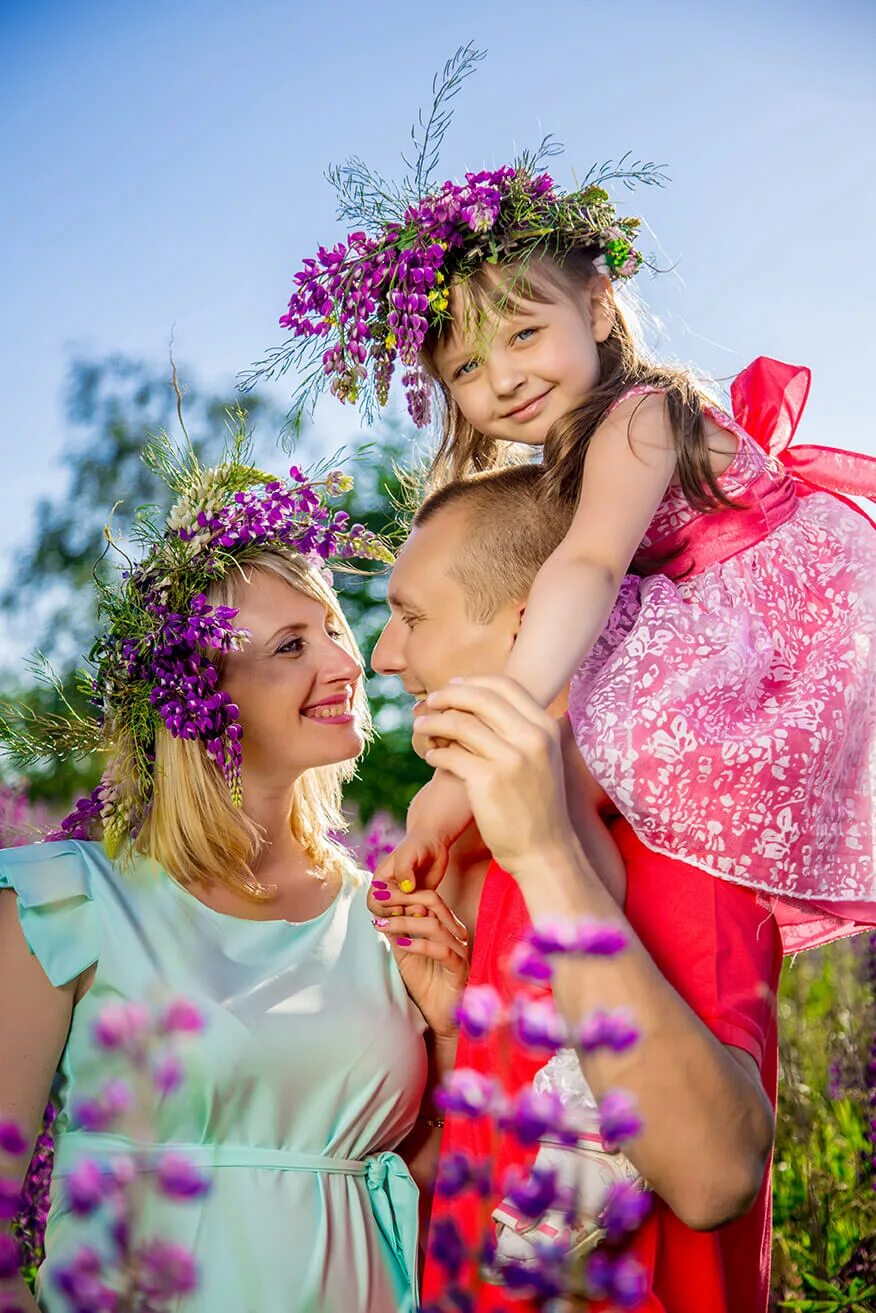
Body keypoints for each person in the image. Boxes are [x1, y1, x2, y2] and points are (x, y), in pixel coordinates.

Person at [272, 150, 876, 948]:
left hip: (807, 626)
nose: (506, 377)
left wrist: (488, 734)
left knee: (610, 729)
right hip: (728, 629)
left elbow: (587, 567)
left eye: (525, 332)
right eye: (469, 366)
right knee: (586, 731)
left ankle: (607, 944)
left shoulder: (639, 417)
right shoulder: (572, 458)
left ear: (596, 308)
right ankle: (546, 910)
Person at [0, 437, 467, 1313]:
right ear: (203, 691)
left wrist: (450, 1027)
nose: (345, 661)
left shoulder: (390, 918)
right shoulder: (67, 901)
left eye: (333, 626)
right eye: (291, 644)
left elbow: (442, 1194)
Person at [369, 463, 793, 1312]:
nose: (384, 655)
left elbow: (714, 1175)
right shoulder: (478, 850)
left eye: (412, 616)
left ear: (532, 628)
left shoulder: (677, 840)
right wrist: (456, 1034)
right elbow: (460, 1191)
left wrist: (549, 856)